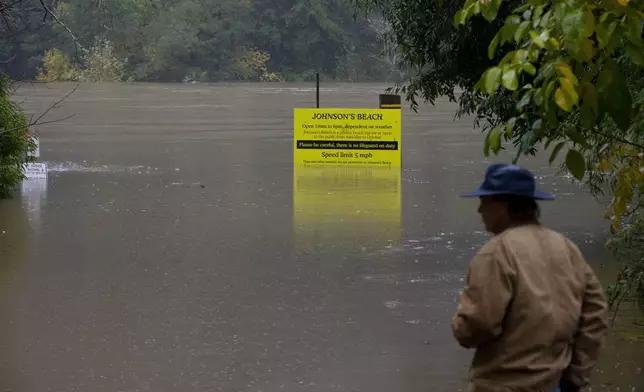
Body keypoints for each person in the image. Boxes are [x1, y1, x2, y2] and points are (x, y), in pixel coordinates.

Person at [452, 163, 609, 392]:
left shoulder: (496, 252)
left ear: (503, 204)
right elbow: (595, 312)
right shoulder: (566, 248)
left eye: (484, 202)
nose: (479, 210)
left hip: (504, 385)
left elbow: (479, 324)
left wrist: (459, 324)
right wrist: (576, 375)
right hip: (555, 383)